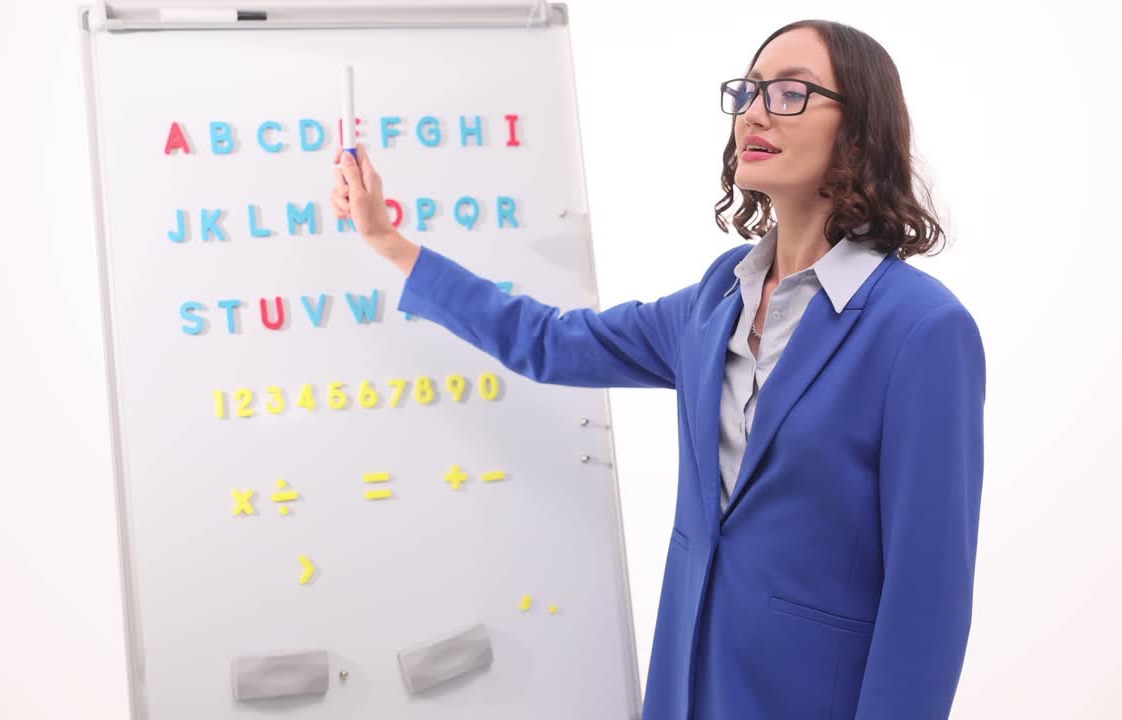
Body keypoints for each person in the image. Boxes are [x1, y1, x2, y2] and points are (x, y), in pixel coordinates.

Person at [329, 18, 985, 720]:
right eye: (749, 91)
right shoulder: (714, 301)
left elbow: (928, 596)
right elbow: (549, 342)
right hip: (685, 692)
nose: (755, 111)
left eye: (790, 92)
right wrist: (391, 244)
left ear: (859, 129)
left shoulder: (920, 330)